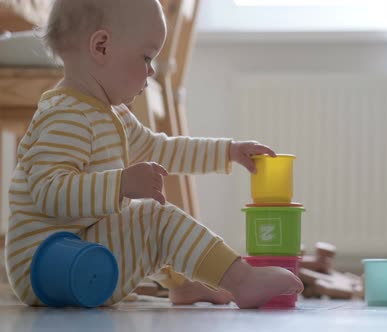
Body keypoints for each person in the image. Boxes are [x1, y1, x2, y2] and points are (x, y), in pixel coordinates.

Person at [6, 0, 303, 308]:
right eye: (146, 57)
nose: (151, 70)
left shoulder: (111, 115)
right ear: (102, 47)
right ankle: (241, 280)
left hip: (75, 253)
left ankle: (185, 285)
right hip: (44, 265)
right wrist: (120, 184)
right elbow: (49, 193)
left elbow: (162, 149)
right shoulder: (66, 116)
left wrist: (227, 152)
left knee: (138, 216)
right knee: (153, 218)